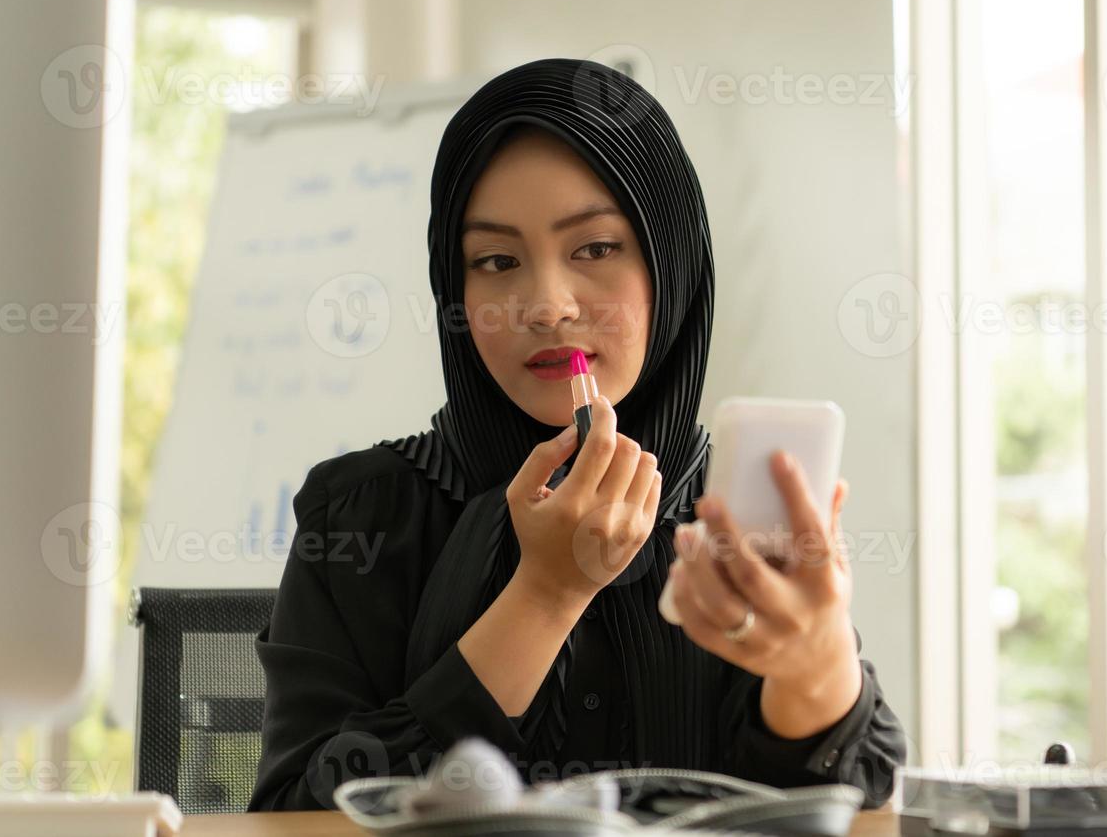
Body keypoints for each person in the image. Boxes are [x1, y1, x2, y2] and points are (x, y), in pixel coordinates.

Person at [247, 58, 907, 813]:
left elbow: (842, 801)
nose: (547, 306)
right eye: (495, 261)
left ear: (673, 262)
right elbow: (295, 815)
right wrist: (545, 593)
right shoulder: (359, 515)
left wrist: (815, 660)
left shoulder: (737, 512)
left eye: (594, 249)